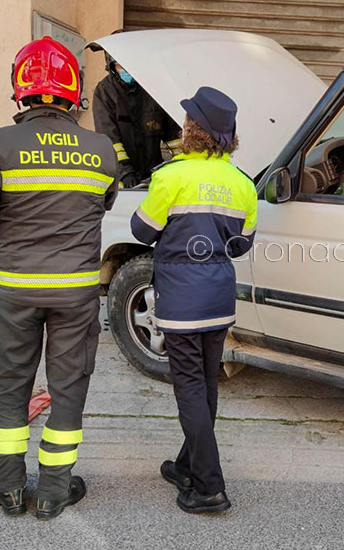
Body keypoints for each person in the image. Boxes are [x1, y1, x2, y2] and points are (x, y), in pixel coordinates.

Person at [0, 37, 118, 519]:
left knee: (10, 385)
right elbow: (104, 202)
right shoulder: (100, 149)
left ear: (20, 89)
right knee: (68, 389)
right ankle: (52, 492)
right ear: (74, 91)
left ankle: (7, 489)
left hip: (16, 290)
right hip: (76, 294)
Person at [129, 87, 257, 514]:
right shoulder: (243, 184)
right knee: (206, 384)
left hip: (181, 300)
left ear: (192, 129)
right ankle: (187, 466)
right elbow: (241, 245)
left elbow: (141, 231)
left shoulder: (171, 176)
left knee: (189, 389)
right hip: (219, 300)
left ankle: (209, 486)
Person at [92, 39, 181, 188]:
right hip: (121, 180)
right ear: (111, 66)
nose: (127, 70)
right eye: (121, 65)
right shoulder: (105, 92)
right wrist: (125, 173)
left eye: (130, 64)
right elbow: (108, 139)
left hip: (154, 176)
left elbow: (173, 135)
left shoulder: (152, 88)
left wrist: (184, 163)